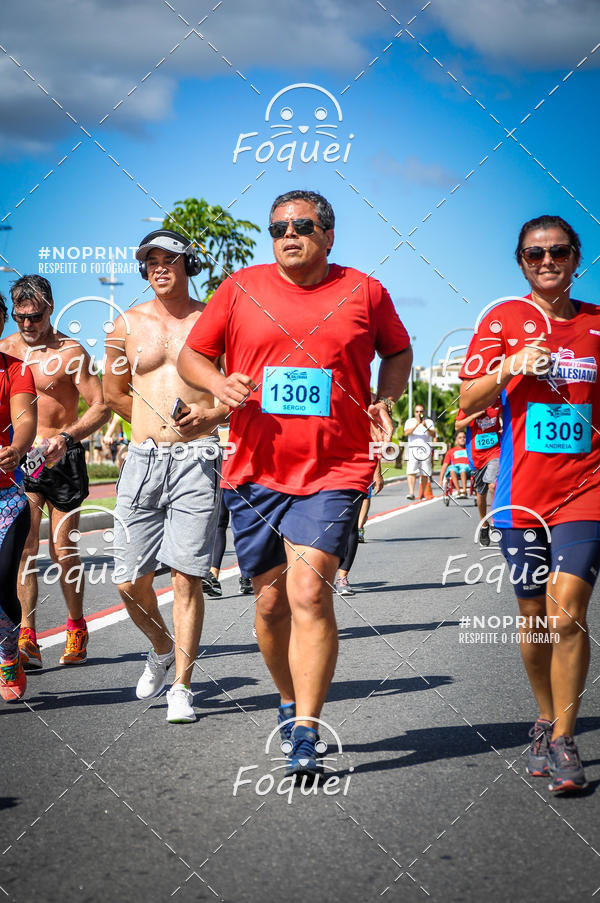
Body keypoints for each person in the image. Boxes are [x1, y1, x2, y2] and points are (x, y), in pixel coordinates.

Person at [178, 189, 412, 774]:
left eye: (303, 225)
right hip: (256, 471)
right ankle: (286, 697)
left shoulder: (363, 291)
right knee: (269, 604)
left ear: (328, 235)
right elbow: (191, 356)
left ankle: (307, 729)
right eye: (279, 226)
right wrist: (218, 384)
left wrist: (384, 399)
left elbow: (399, 351)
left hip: (336, 467)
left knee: (310, 591)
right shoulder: (239, 289)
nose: (289, 234)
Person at [459, 214, 600, 793]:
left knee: (568, 608)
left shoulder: (596, 325)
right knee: (534, 616)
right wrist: (509, 366)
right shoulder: (502, 319)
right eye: (534, 254)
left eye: (559, 251)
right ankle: (544, 714)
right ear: (520, 261)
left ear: (576, 256)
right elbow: (467, 397)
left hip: (586, 487)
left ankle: (565, 738)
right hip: (523, 497)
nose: (547, 262)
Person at [103, 229, 226, 724]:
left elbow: (235, 391)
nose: (159, 267)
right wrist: (152, 426)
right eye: (150, 260)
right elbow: (112, 393)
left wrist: (210, 418)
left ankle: (181, 686)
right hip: (143, 459)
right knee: (129, 580)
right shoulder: (124, 325)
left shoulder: (213, 318)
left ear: (186, 264)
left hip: (198, 459)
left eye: (169, 259)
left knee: (187, 576)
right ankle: (160, 647)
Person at [0, 276, 110, 669]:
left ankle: (76, 627)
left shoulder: (70, 351)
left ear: (50, 309)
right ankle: (27, 636)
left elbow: (101, 407)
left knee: (62, 550)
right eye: (20, 317)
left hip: (62, 458)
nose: (27, 325)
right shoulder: (5, 350)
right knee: (24, 550)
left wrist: (66, 436)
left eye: (35, 317)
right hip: (21, 462)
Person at [0, 294, 37, 701]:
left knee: (1, 583)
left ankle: (8, 651)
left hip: (5, 497)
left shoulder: (15, 369)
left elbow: (24, 420)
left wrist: (18, 447)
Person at [455, 403, 502, 545]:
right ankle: (484, 525)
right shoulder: (471, 403)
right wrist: (475, 414)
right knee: (481, 494)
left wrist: (503, 428)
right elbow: (458, 426)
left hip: (494, 451)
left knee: (493, 485)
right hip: (476, 456)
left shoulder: (498, 401)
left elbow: (506, 418)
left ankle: (494, 522)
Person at [334, 463, 383, 594]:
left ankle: (342, 578)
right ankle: (320, 577)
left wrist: (376, 472)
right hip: (326, 474)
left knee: (351, 525)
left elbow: (372, 444)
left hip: (354, 476)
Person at [203, 496, 253, 597]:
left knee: (231, 522)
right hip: (227, 482)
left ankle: (245, 574)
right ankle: (214, 576)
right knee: (223, 521)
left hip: (236, 482)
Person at [404, 404, 436, 500]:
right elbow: (406, 433)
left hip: (425, 449)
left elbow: (433, 434)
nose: (419, 413)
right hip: (413, 449)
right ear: (414, 412)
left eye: (421, 411)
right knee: (411, 470)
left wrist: (426, 426)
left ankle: (422, 493)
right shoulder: (410, 421)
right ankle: (411, 492)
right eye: (417, 411)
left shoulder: (429, 422)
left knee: (425, 472)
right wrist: (416, 424)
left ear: (424, 412)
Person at [439, 430, 471, 497]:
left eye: (464, 437)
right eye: (460, 437)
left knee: (463, 469)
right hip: (455, 468)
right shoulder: (451, 451)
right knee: (451, 469)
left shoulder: (470, 449)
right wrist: (441, 480)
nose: (462, 439)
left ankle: (464, 491)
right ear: (456, 440)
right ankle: (458, 491)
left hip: (466, 468)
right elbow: (445, 465)